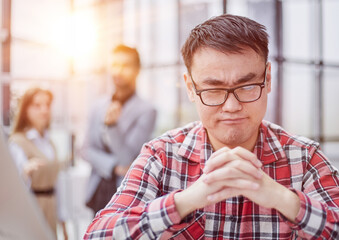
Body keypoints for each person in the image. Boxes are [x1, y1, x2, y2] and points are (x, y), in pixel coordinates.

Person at [83, 14, 339, 240]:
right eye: (214, 89)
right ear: (191, 88)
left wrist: (283, 199)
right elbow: (98, 233)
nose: (231, 106)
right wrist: (185, 201)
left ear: (268, 79)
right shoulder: (161, 156)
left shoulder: (304, 158)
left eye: (247, 86)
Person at [80, 44, 157, 214]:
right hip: (98, 190)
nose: (118, 71)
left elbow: (127, 158)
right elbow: (85, 150)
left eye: (125, 65)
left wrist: (112, 127)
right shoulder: (97, 106)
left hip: (128, 193)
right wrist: (112, 167)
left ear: (137, 70)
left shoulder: (147, 110)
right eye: (114, 65)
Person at [8, 87, 68, 239]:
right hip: (31, 210)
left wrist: (64, 225)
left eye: (47, 105)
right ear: (25, 109)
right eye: (37, 105)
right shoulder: (17, 142)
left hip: (51, 210)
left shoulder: (50, 143)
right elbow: (12, 188)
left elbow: (57, 186)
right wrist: (25, 172)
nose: (44, 110)